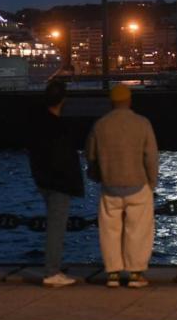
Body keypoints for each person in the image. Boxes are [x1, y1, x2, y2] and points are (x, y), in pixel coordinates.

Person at [85, 84, 159, 289]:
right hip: (138, 184)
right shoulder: (142, 123)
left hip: (110, 186)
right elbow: (151, 157)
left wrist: (97, 176)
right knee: (139, 230)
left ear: (111, 102)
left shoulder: (100, 125)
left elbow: (90, 156)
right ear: (129, 101)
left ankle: (113, 274)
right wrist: (151, 183)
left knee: (109, 231)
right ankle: (135, 274)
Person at [25, 79, 85, 288]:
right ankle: (52, 271)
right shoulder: (60, 128)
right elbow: (65, 159)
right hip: (59, 182)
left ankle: (55, 264)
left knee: (54, 224)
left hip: (43, 180)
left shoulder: (37, 123)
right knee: (56, 227)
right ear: (63, 100)